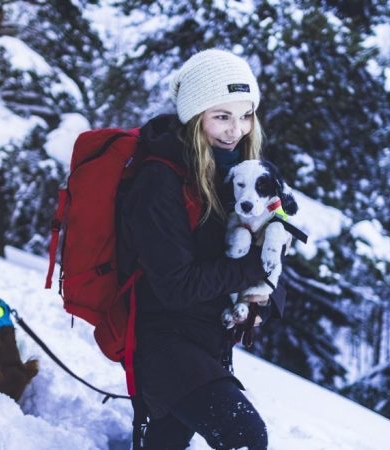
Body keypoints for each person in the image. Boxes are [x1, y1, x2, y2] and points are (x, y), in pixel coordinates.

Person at [118, 48, 286, 450]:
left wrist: (264, 300)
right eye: (222, 116)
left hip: (209, 340)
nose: (236, 129)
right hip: (164, 343)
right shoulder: (159, 181)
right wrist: (252, 268)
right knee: (245, 435)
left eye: (245, 115)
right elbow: (176, 285)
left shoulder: (238, 174)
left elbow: (271, 247)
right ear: (195, 116)